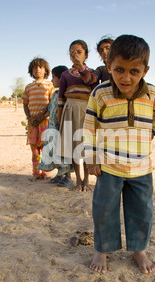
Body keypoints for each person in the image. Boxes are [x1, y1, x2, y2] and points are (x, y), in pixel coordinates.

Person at [83, 35, 155, 274]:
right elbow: (89, 126)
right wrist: (91, 159)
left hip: (142, 167)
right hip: (109, 166)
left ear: (145, 70)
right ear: (109, 66)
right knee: (104, 209)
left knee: (142, 210)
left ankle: (139, 249)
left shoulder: (152, 94)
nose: (126, 77)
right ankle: (102, 250)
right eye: (119, 69)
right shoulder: (100, 93)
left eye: (134, 71)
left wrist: (153, 129)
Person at [57, 40, 98, 191]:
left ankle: (87, 181)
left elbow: (93, 89)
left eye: (79, 52)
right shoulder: (65, 75)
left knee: (85, 146)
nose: (75, 55)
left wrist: (81, 66)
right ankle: (78, 181)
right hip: (70, 110)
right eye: (72, 52)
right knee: (73, 147)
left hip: (86, 111)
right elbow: (61, 97)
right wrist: (59, 115)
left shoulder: (92, 73)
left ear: (86, 55)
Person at [36, 65, 72, 185]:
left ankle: (67, 176)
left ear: (62, 78)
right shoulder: (55, 94)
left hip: (61, 128)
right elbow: (49, 108)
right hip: (52, 129)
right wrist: (41, 114)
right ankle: (59, 174)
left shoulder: (66, 94)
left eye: (54, 77)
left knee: (63, 152)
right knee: (55, 152)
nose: (52, 80)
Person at [22, 57, 55, 180]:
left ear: (45, 70)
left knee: (45, 147)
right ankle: (36, 172)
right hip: (32, 123)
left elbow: (52, 104)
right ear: (31, 71)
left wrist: (43, 116)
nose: (37, 70)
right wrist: (29, 117)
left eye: (40, 67)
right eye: (34, 68)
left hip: (45, 121)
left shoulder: (50, 85)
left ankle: (45, 172)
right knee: (34, 149)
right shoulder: (29, 87)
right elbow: (25, 103)